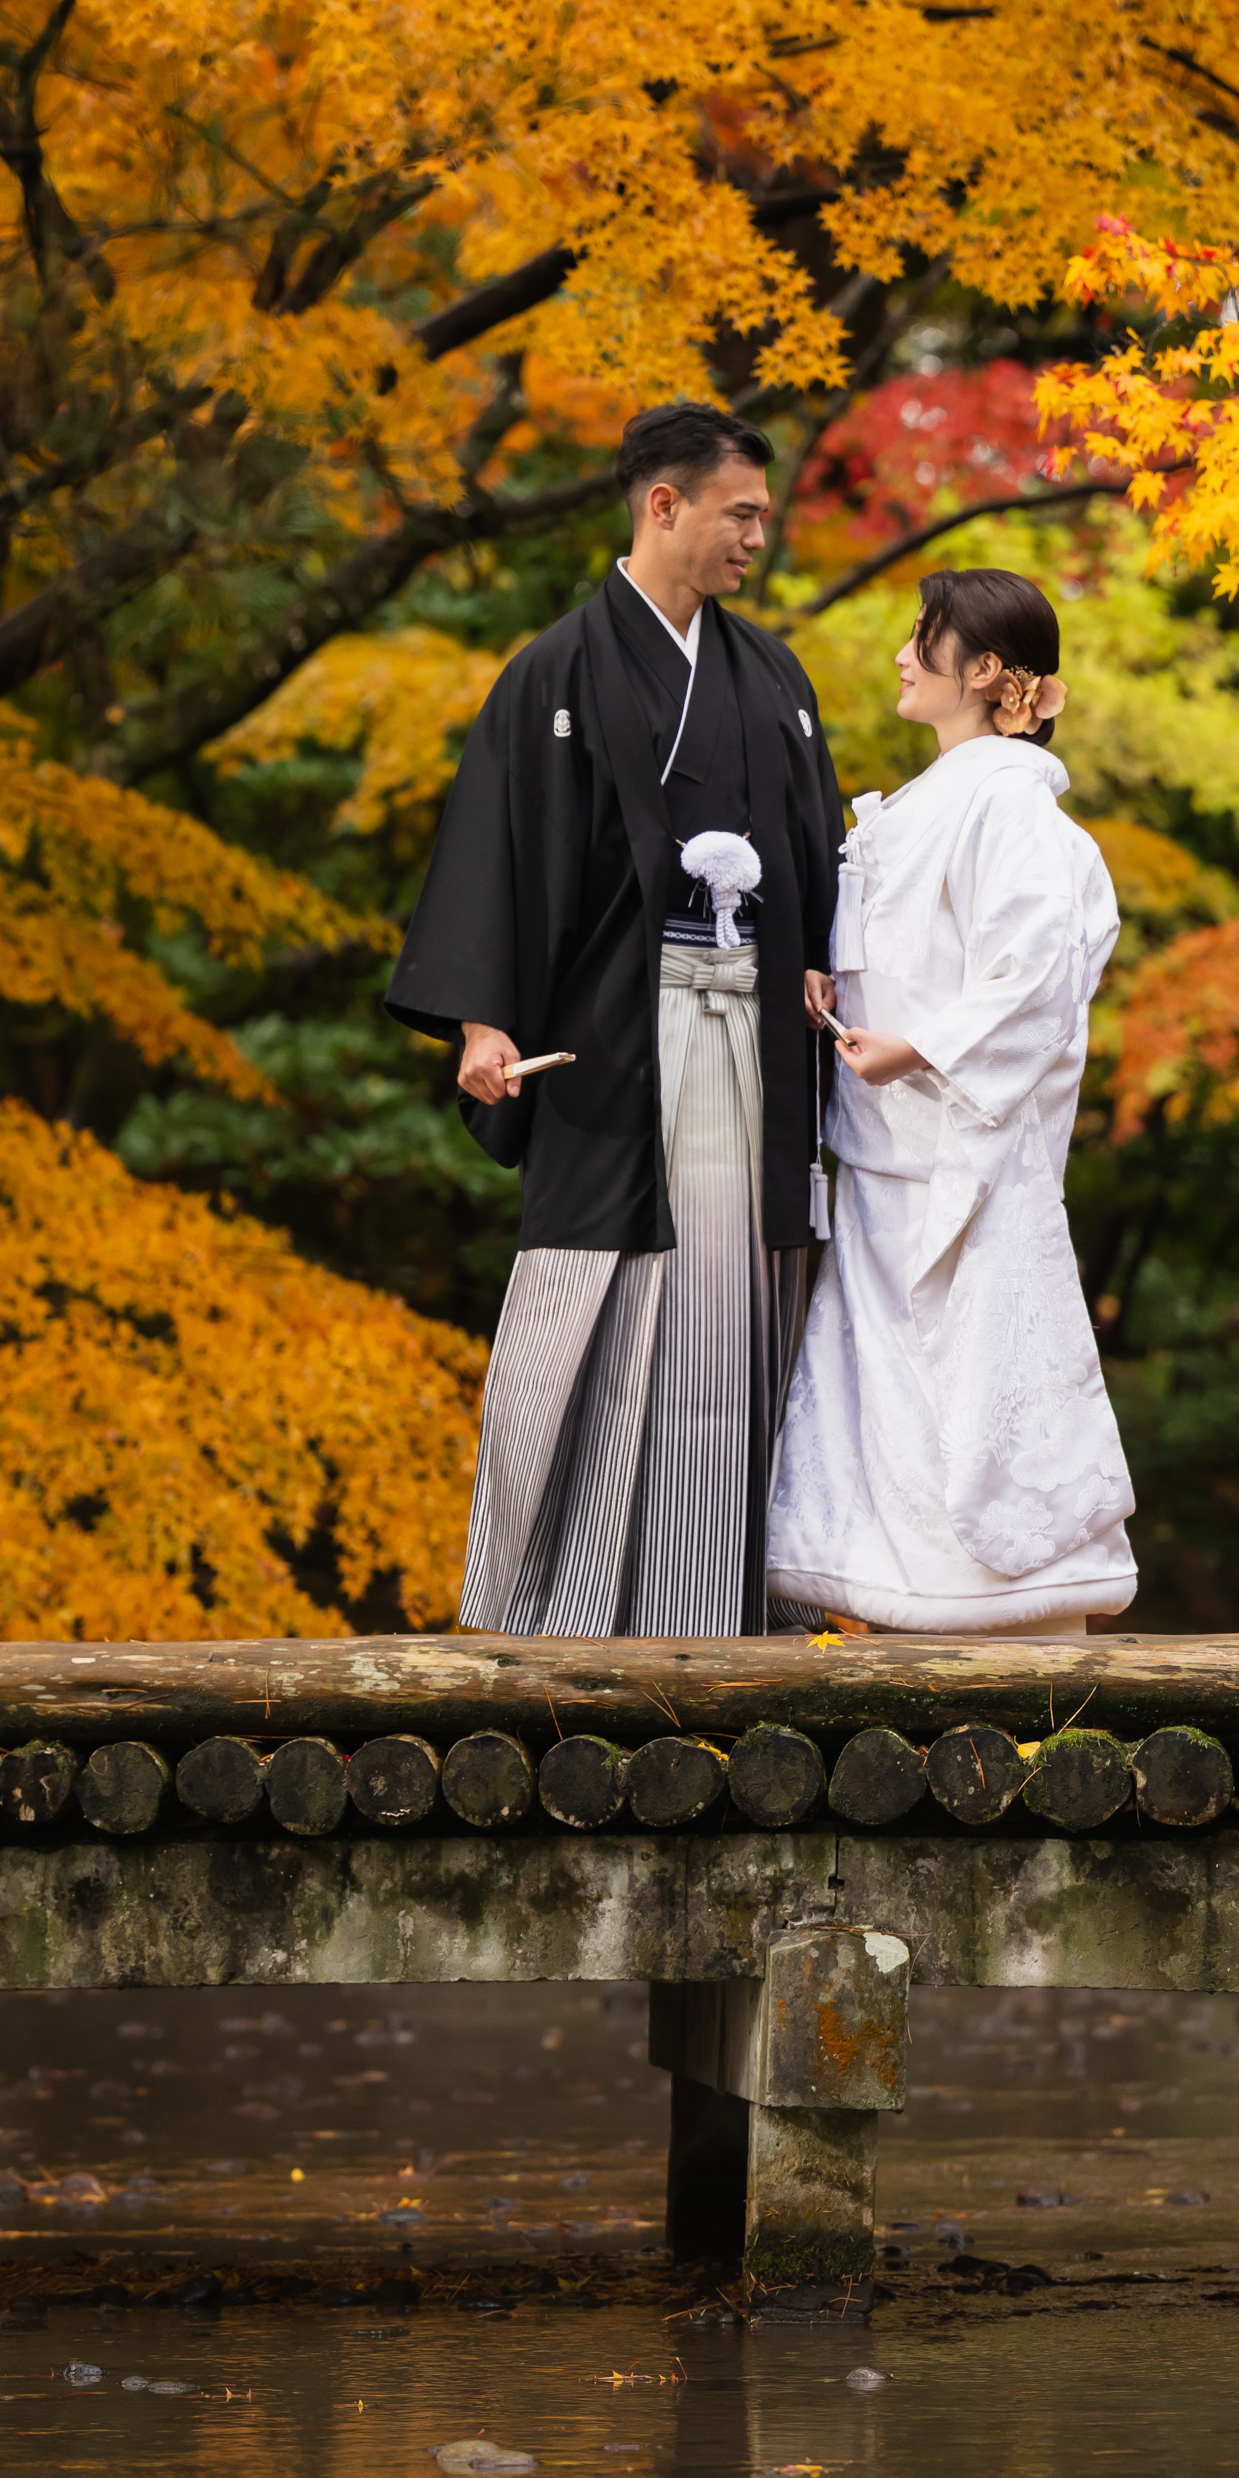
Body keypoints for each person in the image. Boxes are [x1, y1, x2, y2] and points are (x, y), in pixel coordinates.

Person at [385, 403, 846, 1635]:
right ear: (664, 506)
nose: (760, 534)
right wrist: (483, 1022)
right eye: (740, 512)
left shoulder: (772, 678)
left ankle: (724, 1611)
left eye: (761, 513)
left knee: (736, 1301)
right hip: (615, 1044)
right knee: (597, 1301)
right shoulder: (555, 674)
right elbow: (497, 854)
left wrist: (833, 970)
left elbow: (820, 855)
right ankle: (561, 1608)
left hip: (754, 1038)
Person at [766, 569, 1137, 1634]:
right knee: (884, 1377)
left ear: (982, 671)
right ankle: (902, 1596)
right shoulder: (939, 799)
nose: (900, 657)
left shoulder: (1010, 804)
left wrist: (921, 1043)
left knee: (977, 1373)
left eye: (920, 639)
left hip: (959, 1144)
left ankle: (1009, 1602)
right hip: (893, 1143)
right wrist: (829, 977)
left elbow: (1035, 970)